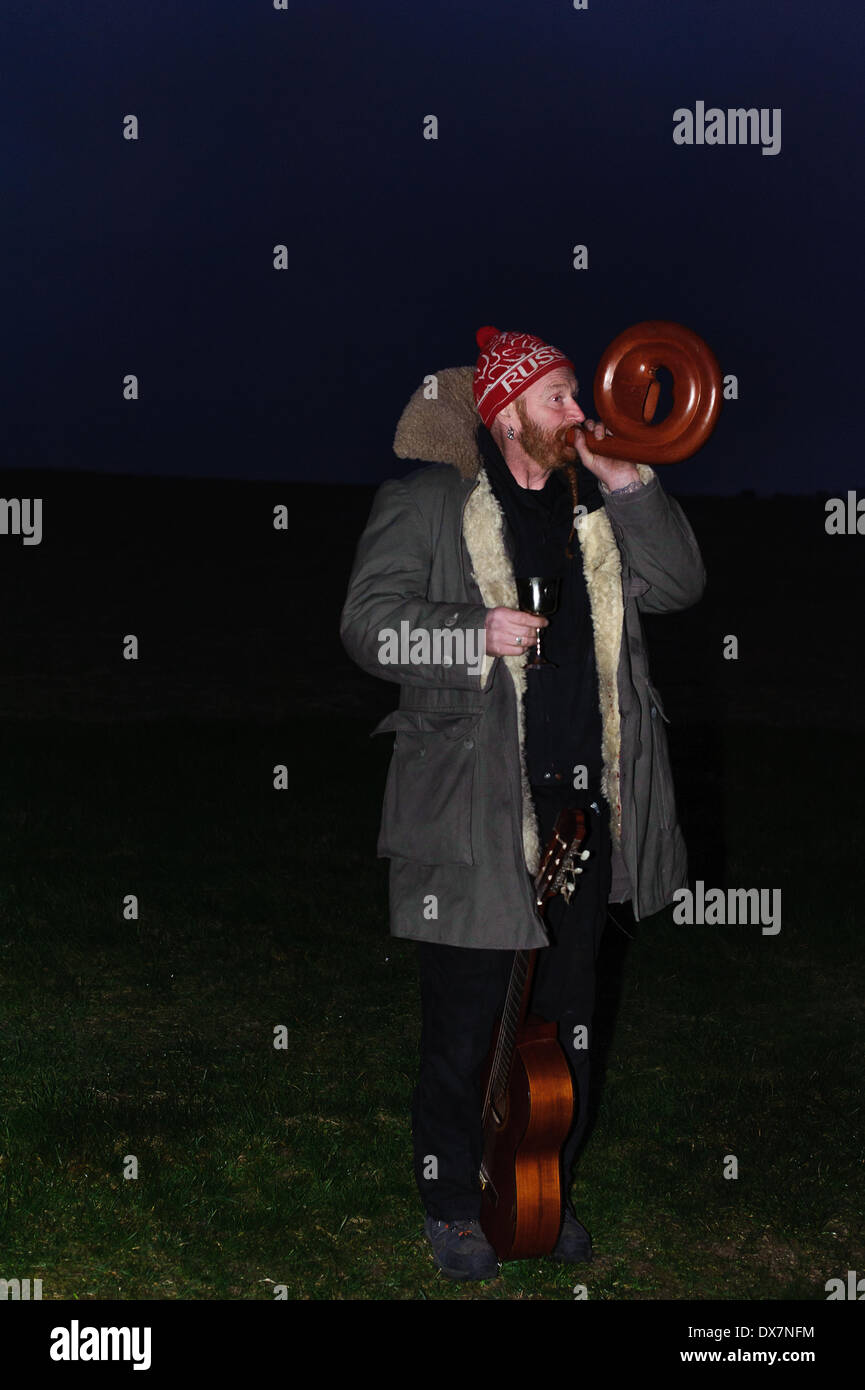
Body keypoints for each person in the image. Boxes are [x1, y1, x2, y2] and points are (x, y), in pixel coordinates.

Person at [340, 325, 705, 1280]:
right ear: (504, 411)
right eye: (560, 399)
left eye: (577, 396)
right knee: (468, 1022)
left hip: (588, 811)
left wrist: (632, 487)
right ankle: (453, 1202)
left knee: (566, 1019)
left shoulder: (594, 505)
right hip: (473, 808)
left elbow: (678, 585)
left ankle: (538, 1181)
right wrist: (470, 633)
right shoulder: (427, 502)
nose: (580, 414)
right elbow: (368, 628)